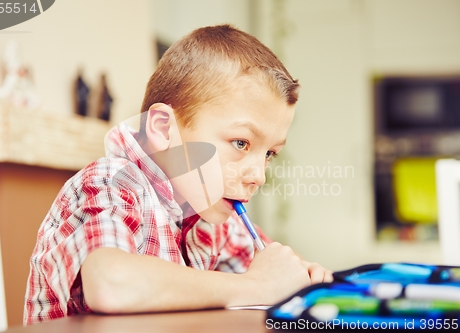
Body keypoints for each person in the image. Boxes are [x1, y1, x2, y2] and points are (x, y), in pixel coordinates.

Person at [23, 24, 333, 326]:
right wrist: (256, 285)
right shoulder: (110, 182)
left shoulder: (212, 211)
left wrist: (301, 279)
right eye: (241, 143)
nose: (259, 176)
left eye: (269, 153)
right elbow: (111, 284)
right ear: (162, 128)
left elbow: (272, 271)